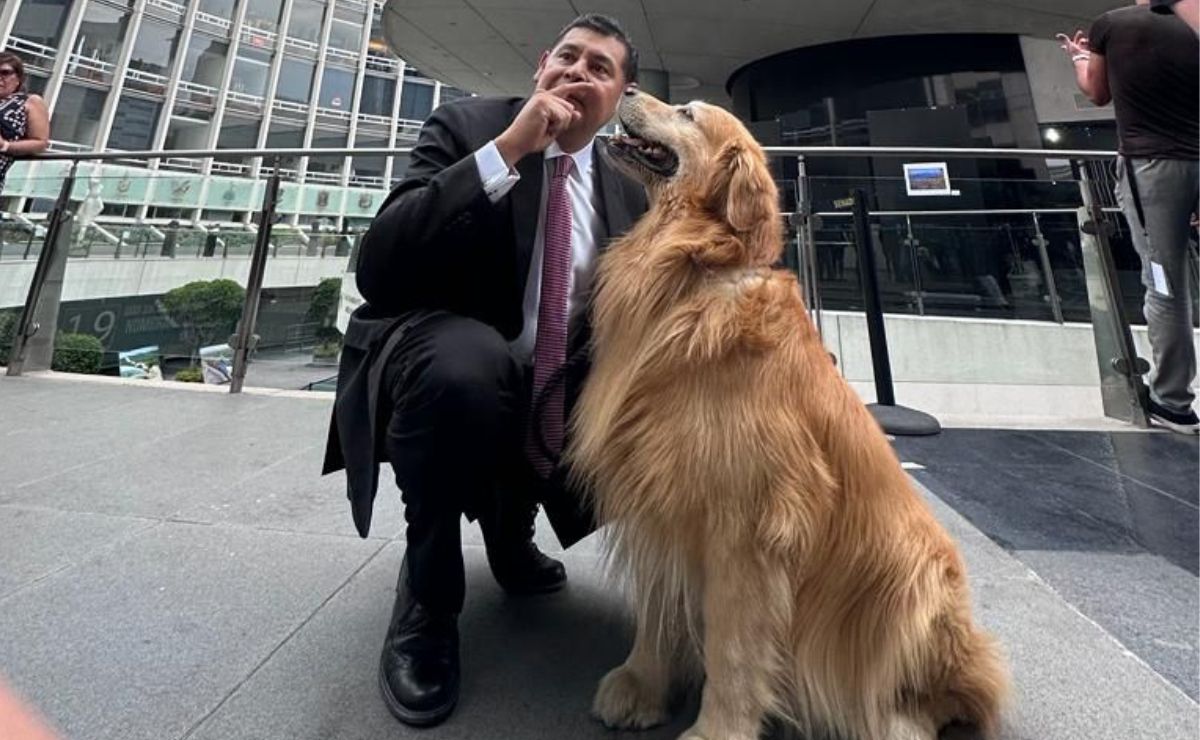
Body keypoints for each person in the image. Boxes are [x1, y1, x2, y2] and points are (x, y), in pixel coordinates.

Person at [322, 13, 647, 726]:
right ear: (540, 66)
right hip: (444, 355)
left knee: (650, 401)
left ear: (620, 96)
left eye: (600, 67)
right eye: (567, 56)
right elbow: (379, 265)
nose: (577, 72)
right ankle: (429, 599)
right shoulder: (466, 126)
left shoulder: (629, 185)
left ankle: (511, 526)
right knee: (469, 369)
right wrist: (507, 152)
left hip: (557, 377)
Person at [1059, 1, 1199, 434]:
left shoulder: (1112, 25)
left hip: (1151, 167)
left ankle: (1172, 400)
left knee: (1164, 281)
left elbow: (1096, 92)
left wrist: (1081, 59)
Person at [0, 53, 49, 196]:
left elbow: (40, 143)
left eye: (5, 73)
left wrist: (5, 146)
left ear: (18, 79)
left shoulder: (29, 101)